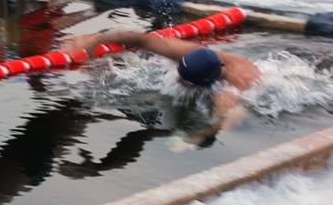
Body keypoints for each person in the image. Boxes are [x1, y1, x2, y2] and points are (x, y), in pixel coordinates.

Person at [62, 29, 261, 132]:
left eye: (184, 82)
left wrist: (195, 137)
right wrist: (97, 40)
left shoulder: (228, 92)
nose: (177, 81)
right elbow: (143, 40)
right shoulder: (192, 54)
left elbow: (228, 123)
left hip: (257, 86)